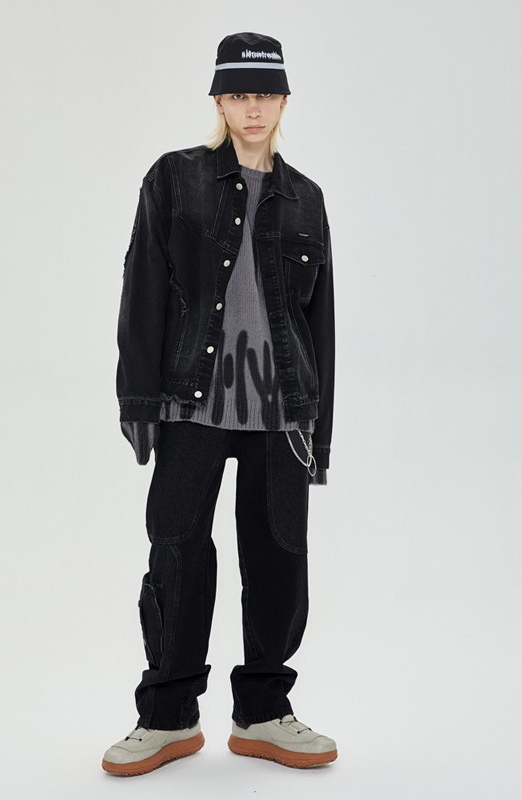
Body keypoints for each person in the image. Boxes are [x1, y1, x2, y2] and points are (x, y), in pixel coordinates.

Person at [102, 31, 337, 776]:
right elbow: (142, 290)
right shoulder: (174, 179)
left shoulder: (307, 198)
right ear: (219, 101)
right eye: (239, 94)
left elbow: (320, 324)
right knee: (177, 555)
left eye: (265, 94)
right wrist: (138, 399)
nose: (253, 108)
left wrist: (321, 434)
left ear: (284, 102)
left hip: (283, 411)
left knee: (279, 560)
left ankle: (264, 712)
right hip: (188, 403)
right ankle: (167, 717)